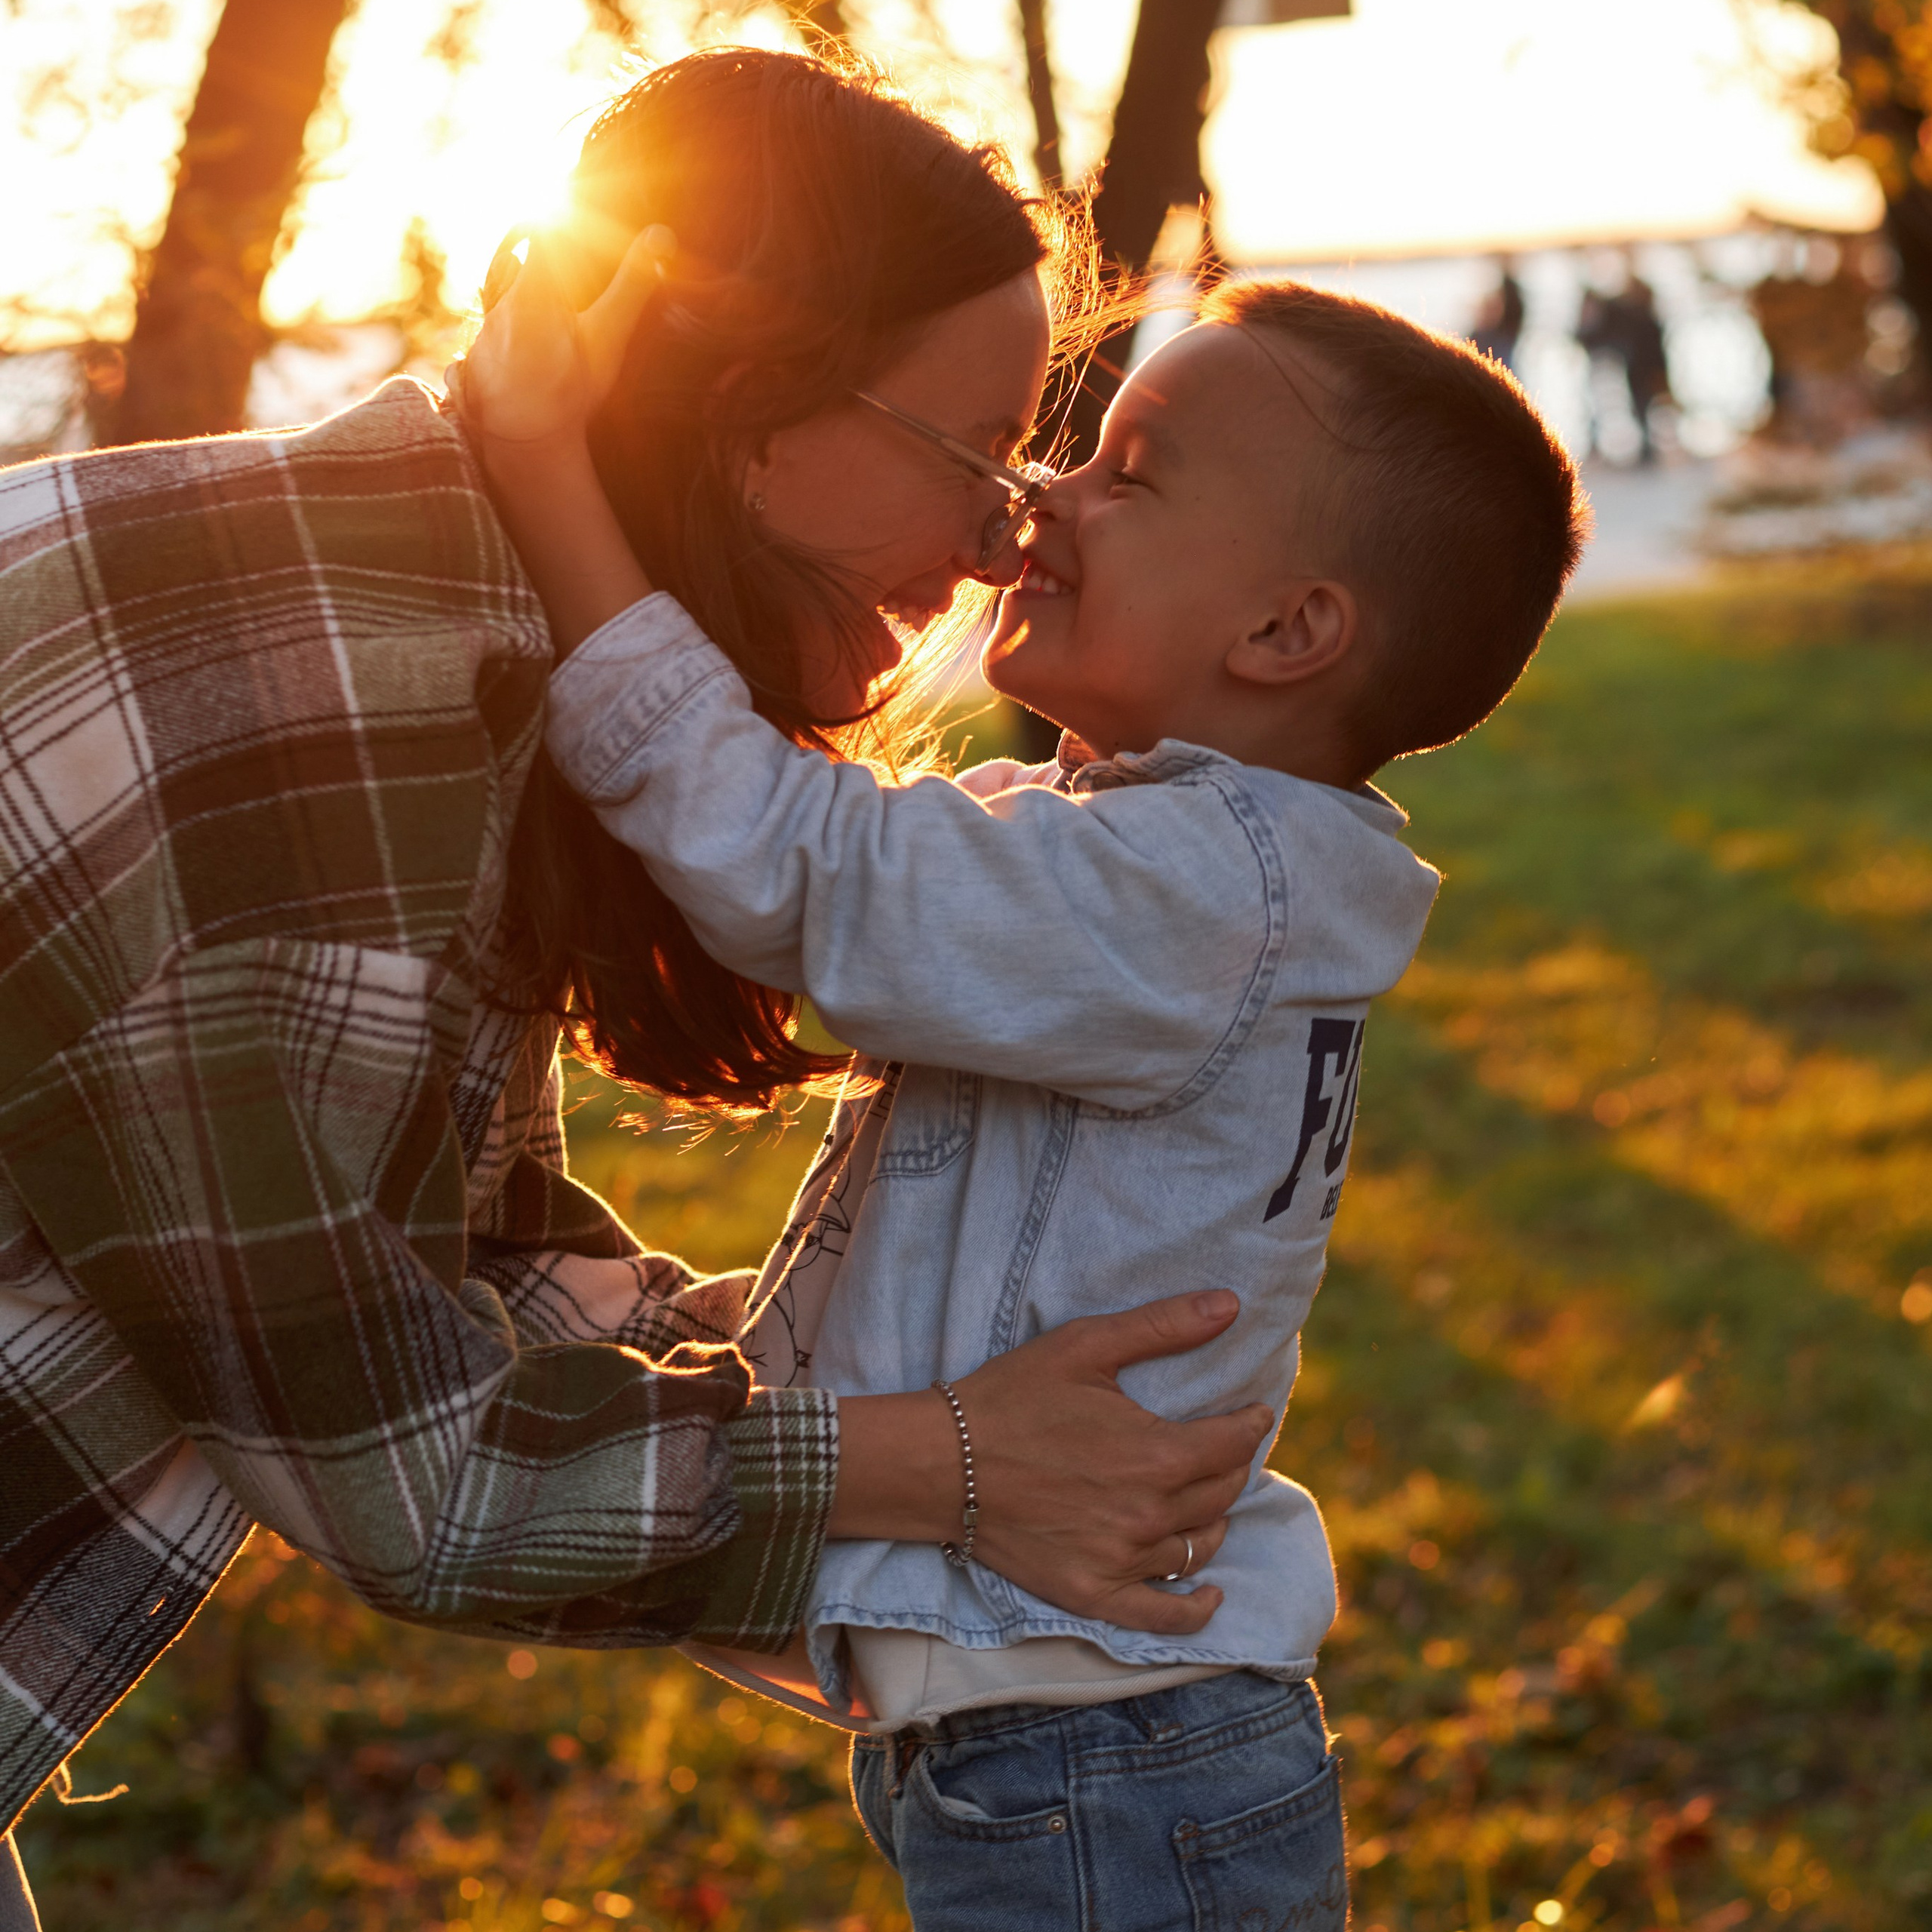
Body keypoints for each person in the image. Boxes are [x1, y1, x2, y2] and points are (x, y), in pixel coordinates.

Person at [0, 51, 1272, 1924]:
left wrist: (896, 1359)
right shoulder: (327, 701)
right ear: (755, 408)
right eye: (978, 450)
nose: (1007, 531)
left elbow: (456, 1244)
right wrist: (939, 1460)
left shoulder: (424, 603)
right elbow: (405, 1465)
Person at [466, 246, 1586, 1922]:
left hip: (1102, 1755)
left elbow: (795, 865)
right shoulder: (1165, 871)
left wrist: (544, 466)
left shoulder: (1196, 894)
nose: (1039, 490)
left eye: (1123, 473)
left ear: (1285, 629)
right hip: (1080, 1743)